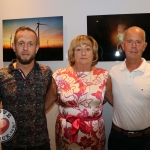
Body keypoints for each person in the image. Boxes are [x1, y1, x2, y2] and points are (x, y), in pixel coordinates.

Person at [0, 26, 57, 150]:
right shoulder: (2, 75)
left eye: (30, 44)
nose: (25, 48)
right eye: (21, 43)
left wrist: (37, 110)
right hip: (10, 144)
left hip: (40, 143)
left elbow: (52, 95)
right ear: (14, 46)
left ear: (36, 48)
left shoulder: (46, 73)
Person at [53, 35, 112, 150]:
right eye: (78, 49)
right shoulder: (59, 75)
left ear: (94, 53)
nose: (83, 53)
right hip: (66, 136)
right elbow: (52, 99)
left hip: (94, 136)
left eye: (88, 49)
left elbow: (105, 99)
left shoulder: (104, 75)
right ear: (73, 53)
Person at [108, 26, 150, 150]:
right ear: (123, 45)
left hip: (145, 140)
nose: (134, 46)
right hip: (117, 139)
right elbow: (110, 97)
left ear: (144, 46)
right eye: (129, 41)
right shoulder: (113, 72)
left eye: (138, 42)